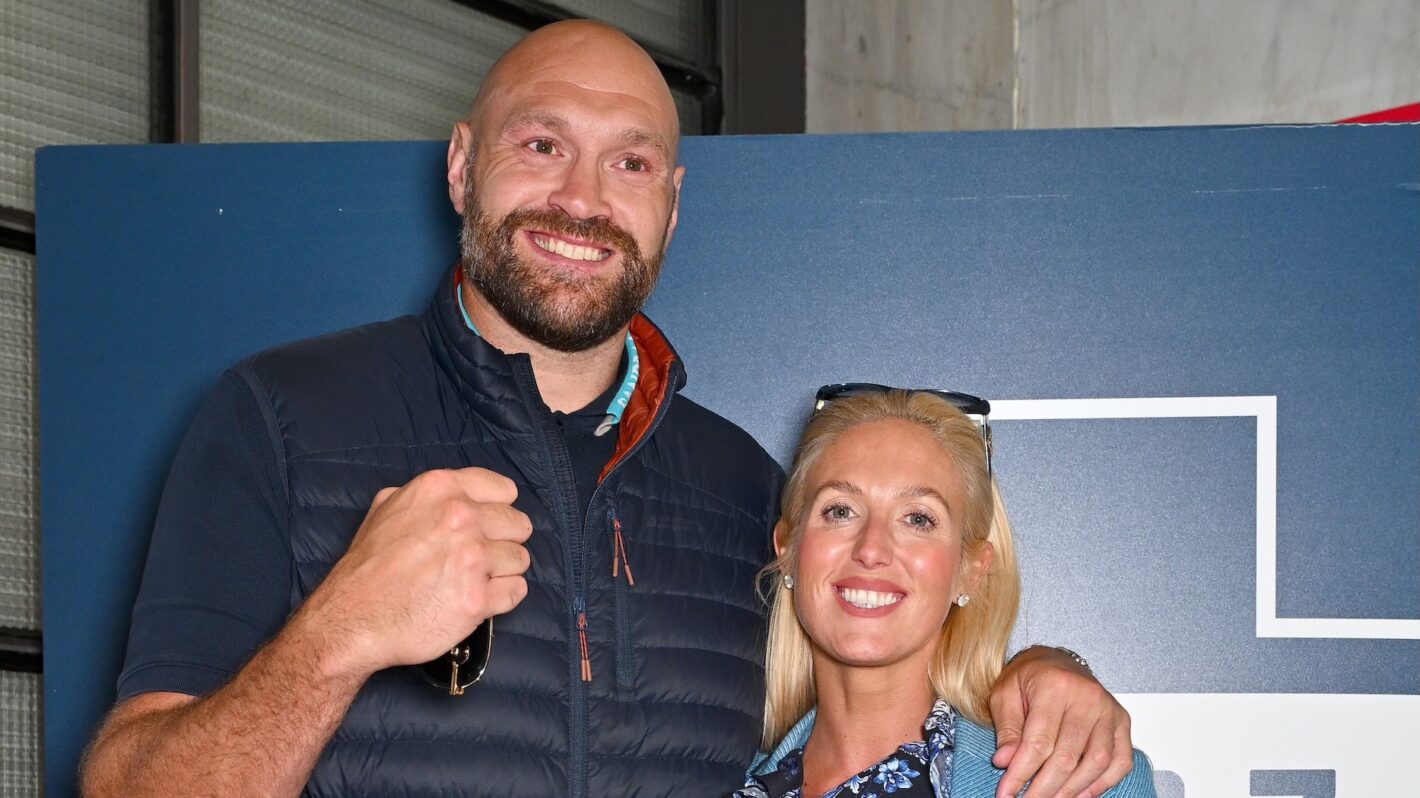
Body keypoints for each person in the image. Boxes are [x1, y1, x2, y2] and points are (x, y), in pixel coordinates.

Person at [81, 20, 1134, 798]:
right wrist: (339, 634)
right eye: (541, 145)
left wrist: (1043, 676)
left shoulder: (740, 490)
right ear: (460, 166)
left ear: (670, 207)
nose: (582, 199)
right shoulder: (282, 419)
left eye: (628, 161)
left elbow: (885, 692)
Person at [733, 389, 1154, 798]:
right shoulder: (718, 777)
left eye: (918, 519)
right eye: (840, 510)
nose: (871, 549)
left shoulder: (1085, 783)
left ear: (970, 572)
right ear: (787, 549)